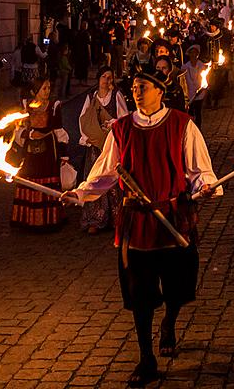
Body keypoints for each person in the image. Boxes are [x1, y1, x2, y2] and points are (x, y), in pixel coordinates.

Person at [60, 71, 217, 387]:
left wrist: (207, 187)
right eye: (133, 88)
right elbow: (103, 173)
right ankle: (147, 358)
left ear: (160, 91)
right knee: (140, 293)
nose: (136, 92)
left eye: (142, 87)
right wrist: (80, 193)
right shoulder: (121, 129)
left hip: (173, 218)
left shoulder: (182, 124)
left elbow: (200, 170)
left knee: (177, 286)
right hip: (137, 224)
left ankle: (169, 323)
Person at [11, 77, 69, 231]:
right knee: (29, 178)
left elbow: (59, 130)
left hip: (49, 151)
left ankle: (48, 219)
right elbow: (18, 129)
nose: (47, 91)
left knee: (47, 178)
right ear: (34, 91)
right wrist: (29, 135)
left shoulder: (54, 106)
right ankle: (28, 219)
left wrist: (63, 155)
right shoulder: (26, 107)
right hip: (30, 153)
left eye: (49, 88)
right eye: (44, 88)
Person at [78, 66, 128, 234]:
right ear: (98, 78)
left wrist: (112, 124)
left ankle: (116, 218)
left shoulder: (116, 96)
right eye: (104, 76)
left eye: (110, 77)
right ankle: (95, 218)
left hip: (111, 145)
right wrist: (89, 136)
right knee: (95, 180)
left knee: (111, 181)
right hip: (95, 146)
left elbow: (124, 118)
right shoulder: (91, 97)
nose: (107, 80)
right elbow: (84, 118)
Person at [182, 44, 206, 126]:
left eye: (195, 53)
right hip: (189, 93)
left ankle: (198, 128)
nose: (193, 55)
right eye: (191, 53)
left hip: (199, 94)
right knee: (191, 112)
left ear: (197, 55)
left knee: (198, 112)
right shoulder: (185, 67)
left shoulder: (201, 65)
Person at [72, 21, 92, 85]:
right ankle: (84, 81)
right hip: (84, 54)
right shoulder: (86, 34)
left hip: (78, 53)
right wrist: (89, 55)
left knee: (80, 67)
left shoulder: (78, 33)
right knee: (84, 68)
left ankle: (80, 81)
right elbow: (88, 45)